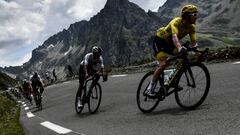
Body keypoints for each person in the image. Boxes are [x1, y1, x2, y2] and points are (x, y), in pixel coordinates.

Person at [146, 4, 199, 97]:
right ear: (187, 16)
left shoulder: (191, 27)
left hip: (170, 44)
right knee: (163, 64)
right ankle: (150, 88)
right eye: (194, 15)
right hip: (160, 41)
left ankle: (172, 80)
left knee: (182, 58)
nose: (196, 17)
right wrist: (179, 47)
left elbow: (194, 43)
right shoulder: (176, 22)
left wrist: (198, 52)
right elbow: (174, 37)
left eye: (196, 14)